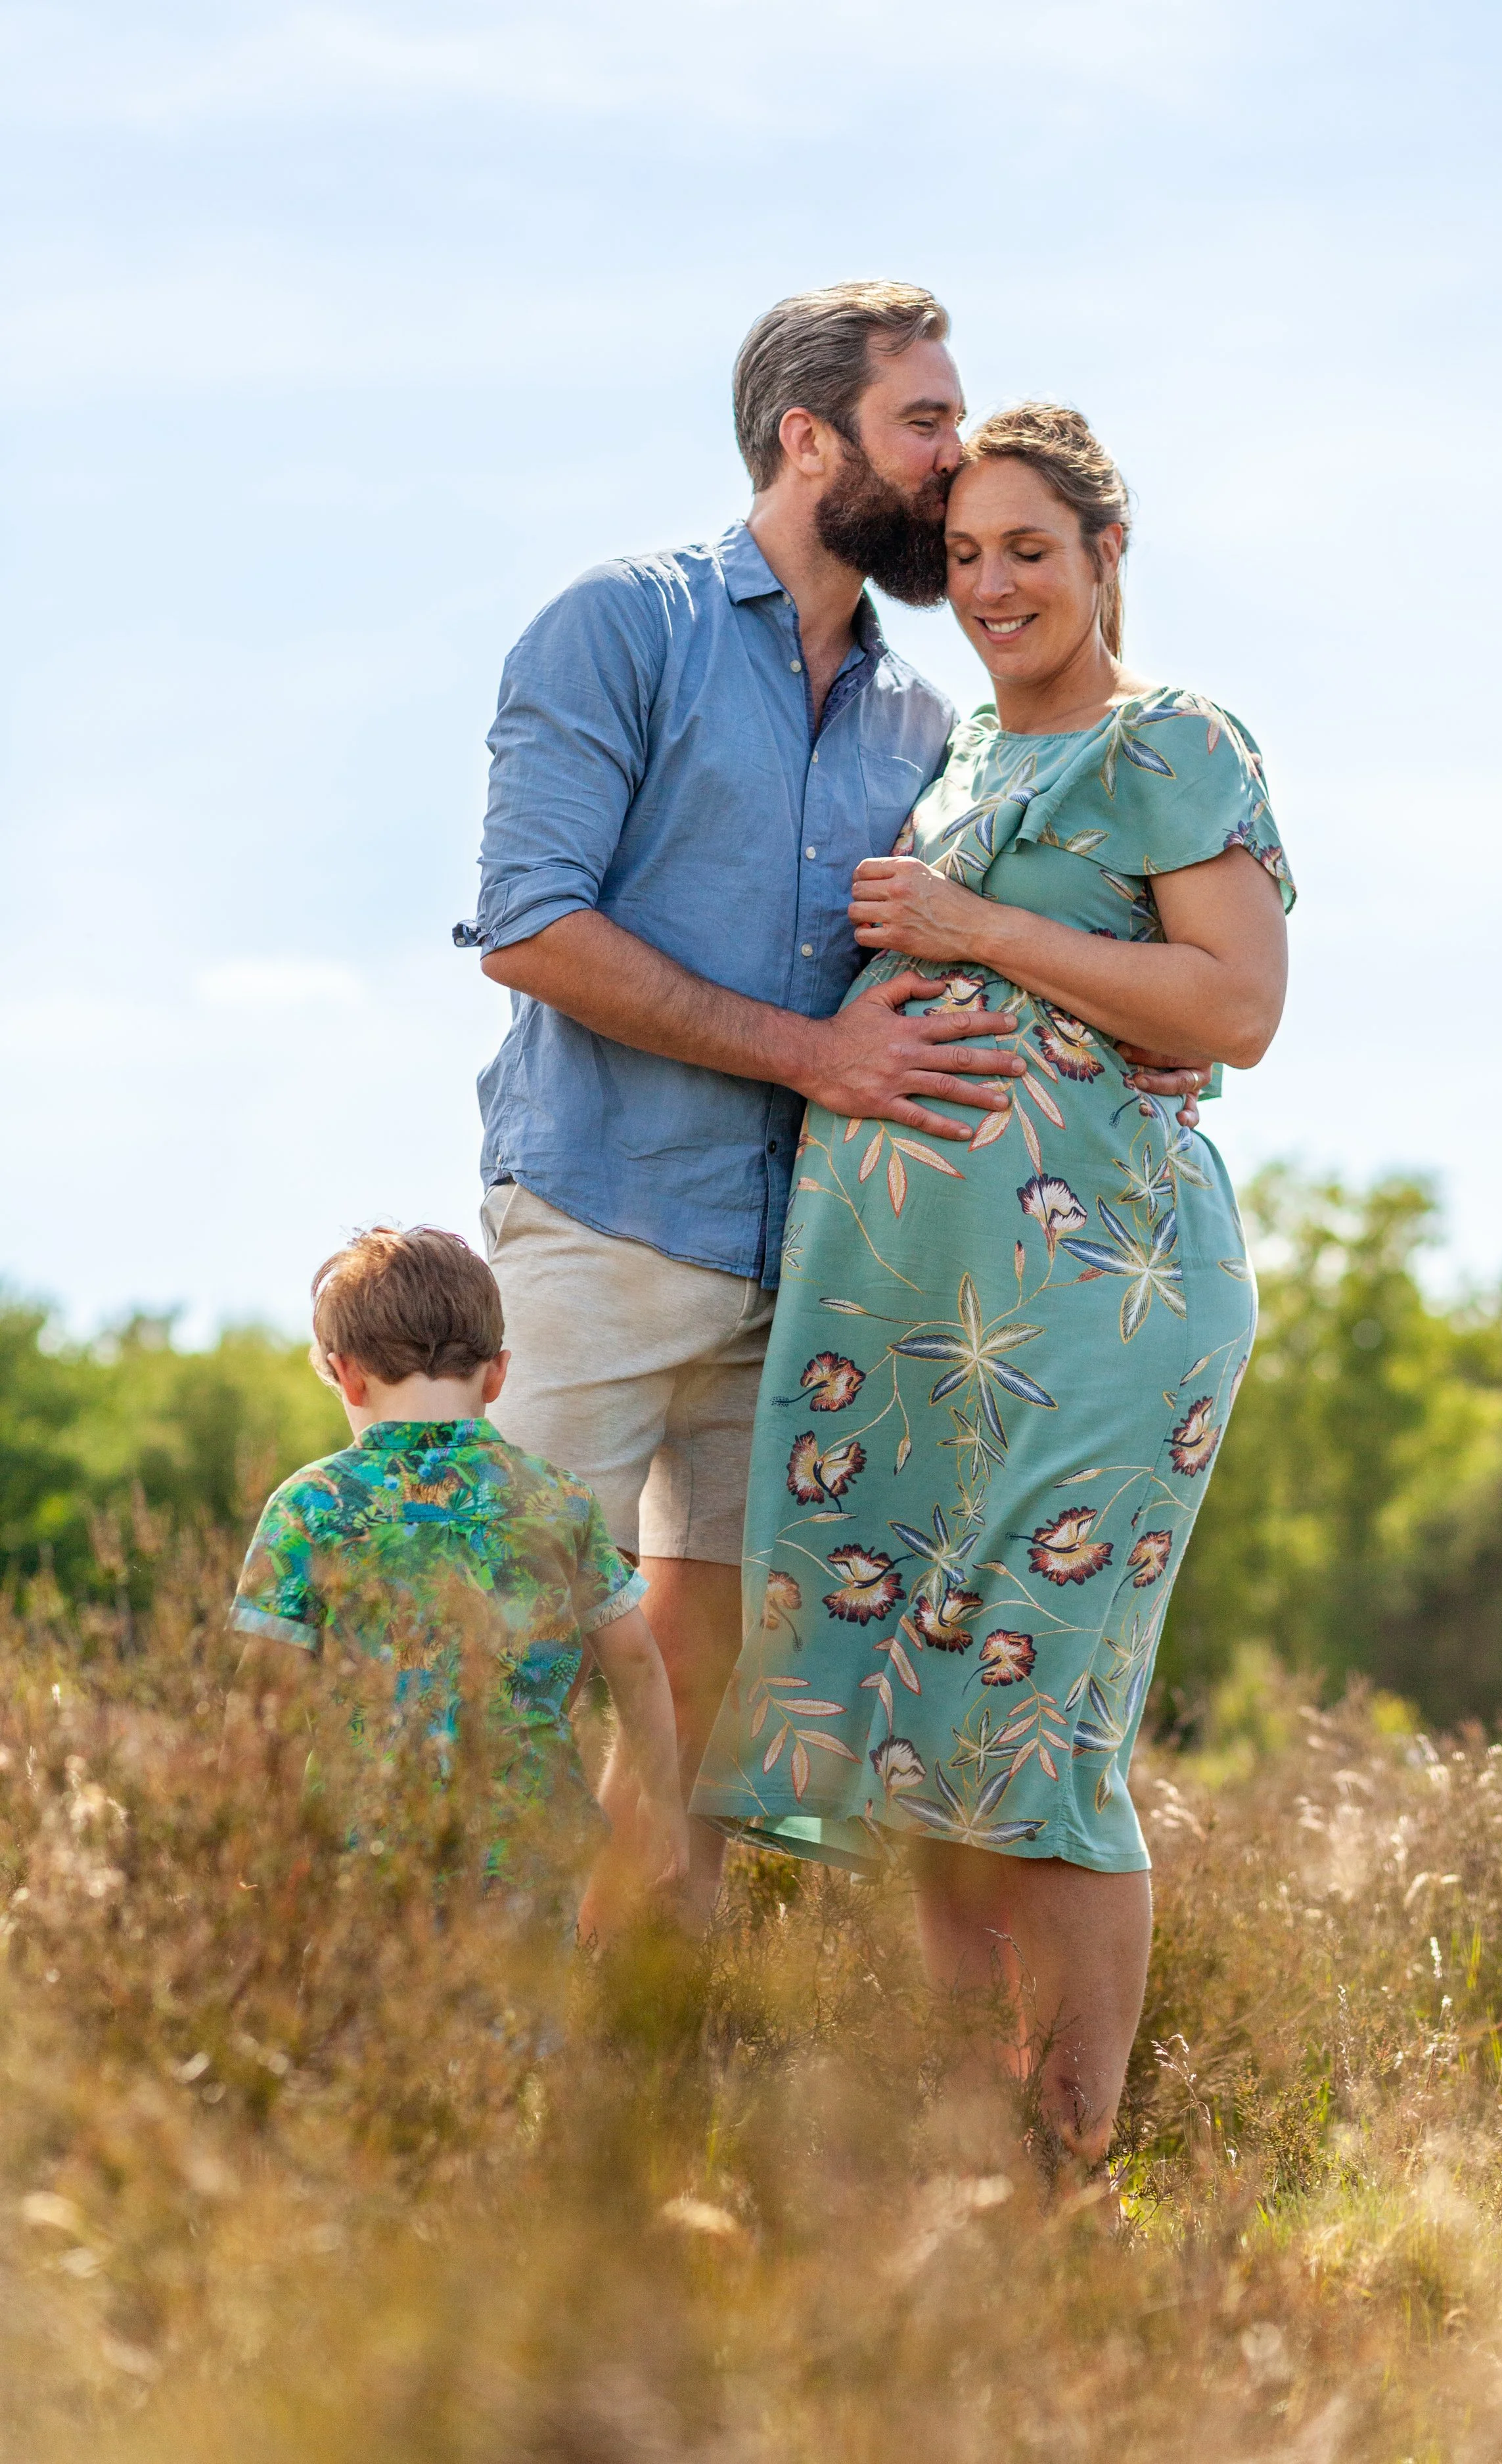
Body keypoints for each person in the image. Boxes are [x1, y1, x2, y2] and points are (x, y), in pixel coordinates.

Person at [463, 283, 1199, 1932]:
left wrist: (1160, 1034)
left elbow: (1010, 944)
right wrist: (811, 1060)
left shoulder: (923, 722)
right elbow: (532, 925)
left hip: (814, 1274)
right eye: (924, 424)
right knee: (499, 1648)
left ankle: (622, 2072)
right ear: (810, 440)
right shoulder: (622, 624)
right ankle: (439, 2052)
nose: (954, 468)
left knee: (707, 1700)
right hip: (599, 1219)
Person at [691, 403, 1294, 2168]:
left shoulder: (1166, 739)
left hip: (1102, 1310)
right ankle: (962, 2167)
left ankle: (1065, 2168)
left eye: (1028, 547)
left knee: (1040, 1726)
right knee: (921, 1734)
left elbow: (1235, 1009)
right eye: (962, 558)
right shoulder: (956, 764)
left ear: (1107, 553)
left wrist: (981, 934)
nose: (993, 585)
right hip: (912, 1327)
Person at [229, 1225, 689, 1925]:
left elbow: (263, 1694)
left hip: (361, 1849)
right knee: (524, 2030)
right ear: (498, 1373)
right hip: (530, 1847)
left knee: (370, 2034)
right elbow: (635, 1661)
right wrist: (662, 1804)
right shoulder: (556, 1500)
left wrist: (253, 1830)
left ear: (346, 1373)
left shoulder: (310, 1505)